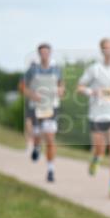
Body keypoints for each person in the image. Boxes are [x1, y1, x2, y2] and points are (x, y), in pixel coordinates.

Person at [77, 38, 110, 198]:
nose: (108, 51)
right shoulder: (94, 69)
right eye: (105, 48)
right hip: (97, 115)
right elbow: (80, 87)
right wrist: (92, 92)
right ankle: (96, 158)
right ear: (101, 50)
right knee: (100, 148)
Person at [22, 44, 64, 181]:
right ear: (39, 54)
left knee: (50, 138)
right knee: (37, 133)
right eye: (42, 53)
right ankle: (36, 146)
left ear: (50, 53)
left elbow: (61, 85)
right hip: (36, 107)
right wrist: (32, 95)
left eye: (47, 52)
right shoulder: (33, 70)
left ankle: (51, 170)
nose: (45, 55)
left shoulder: (56, 69)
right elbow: (22, 86)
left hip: (51, 107)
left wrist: (60, 90)